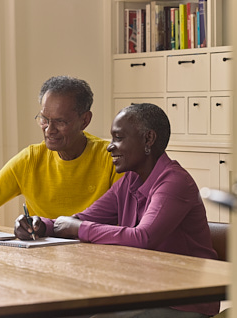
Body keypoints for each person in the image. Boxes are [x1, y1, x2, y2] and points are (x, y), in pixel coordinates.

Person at [15, 103, 220, 318]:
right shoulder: (129, 181)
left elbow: (143, 237)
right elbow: (81, 219)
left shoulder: (175, 182)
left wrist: (79, 228)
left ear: (148, 139)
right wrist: (40, 225)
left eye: (118, 138)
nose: (109, 147)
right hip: (145, 291)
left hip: (184, 302)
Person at [0, 75, 122, 230]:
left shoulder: (111, 158)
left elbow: (127, 220)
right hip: (40, 253)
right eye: (44, 119)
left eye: (60, 122)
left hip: (96, 252)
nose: (49, 130)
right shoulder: (30, 159)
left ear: (85, 120)